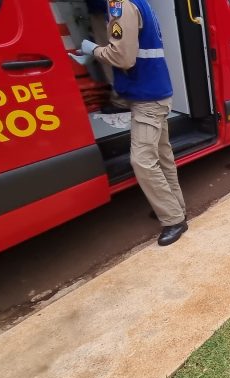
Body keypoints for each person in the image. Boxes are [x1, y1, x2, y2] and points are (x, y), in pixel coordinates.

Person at [70, 0, 188, 246]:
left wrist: (92, 49)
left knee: (142, 160)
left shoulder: (120, 5)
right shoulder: (139, 2)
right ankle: (175, 208)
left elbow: (123, 58)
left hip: (147, 98)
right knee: (162, 156)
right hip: (155, 92)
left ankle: (174, 219)